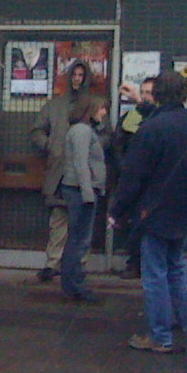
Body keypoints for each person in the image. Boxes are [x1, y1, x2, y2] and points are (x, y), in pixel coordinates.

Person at [107, 70, 187, 354]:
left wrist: (118, 209)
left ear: (158, 94)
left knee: (155, 275)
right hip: (185, 208)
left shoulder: (151, 128)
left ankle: (160, 336)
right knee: (177, 270)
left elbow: (133, 175)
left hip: (154, 210)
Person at [29, 60, 97, 282]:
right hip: (59, 170)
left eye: (81, 75)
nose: (77, 79)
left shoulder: (95, 104)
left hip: (84, 172)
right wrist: (51, 146)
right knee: (58, 219)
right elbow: (37, 131)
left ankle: (79, 264)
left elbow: (105, 134)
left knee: (83, 221)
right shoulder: (55, 105)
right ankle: (53, 263)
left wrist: (92, 148)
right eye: (74, 75)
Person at [58, 93, 107, 303]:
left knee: (77, 239)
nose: (104, 112)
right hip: (80, 191)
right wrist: (88, 193)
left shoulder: (83, 130)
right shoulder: (82, 131)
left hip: (80, 190)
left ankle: (72, 284)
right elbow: (81, 163)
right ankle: (75, 285)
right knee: (79, 240)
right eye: (102, 108)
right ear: (91, 109)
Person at [112, 76, 157, 278]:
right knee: (131, 224)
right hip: (132, 180)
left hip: (152, 183)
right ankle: (134, 263)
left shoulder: (158, 118)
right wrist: (124, 168)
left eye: (150, 93)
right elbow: (117, 144)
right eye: (143, 92)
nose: (146, 97)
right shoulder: (129, 118)